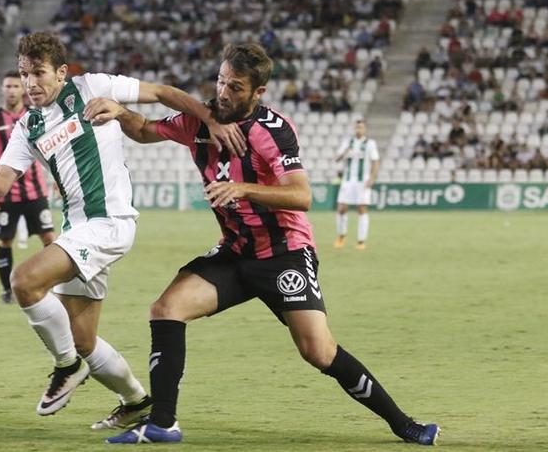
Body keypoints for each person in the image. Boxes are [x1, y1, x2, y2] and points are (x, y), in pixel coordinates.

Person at [86, 43, 439, 446]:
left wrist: (243, 188)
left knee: (318, 352)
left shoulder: (273, 131)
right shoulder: (200, 120)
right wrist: (121, 113)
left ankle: (403, 424)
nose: (223, 92)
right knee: (166, 309)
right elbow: (145, 131)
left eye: (235, 87)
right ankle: (163, 424)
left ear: (258, 92)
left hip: (285, 253)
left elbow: (302, 196)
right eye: (220, 81)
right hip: (236, 251)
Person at [0, 32, 246, 430]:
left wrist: (208, 118)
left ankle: (66, 367)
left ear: (62, 73)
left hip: (110, 223)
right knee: (82, 339)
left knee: (25, 281)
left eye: (39, 73)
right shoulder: (27, 127)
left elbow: (161, 92)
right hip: (78, 229)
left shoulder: (92, 87)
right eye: (23, 73)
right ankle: (136, 401)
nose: (31, 83)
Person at [0, 70, 58, 304]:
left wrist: (58, 176)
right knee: (4, 241)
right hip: (6, 192)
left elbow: (52, 147)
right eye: (8, 86)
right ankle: (7, 289)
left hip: (35, 191)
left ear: (23, 88)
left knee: (50, 239)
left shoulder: (38, 115)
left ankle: (54, 286)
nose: (12, 90)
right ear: (2, 89)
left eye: (16, 86)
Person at [333, 119, 380, 250]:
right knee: (342, 208)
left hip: (362, 181)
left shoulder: (370, 144)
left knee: (362, 209)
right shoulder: (348, 143)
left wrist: (372, 178)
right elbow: (336, 159)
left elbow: (376, 161)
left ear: (365, 130)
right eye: (357, 127)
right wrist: (345, 152)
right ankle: (341, 236)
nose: (359, 130)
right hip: (347, 181)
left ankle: (361, 241)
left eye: (361, 127)